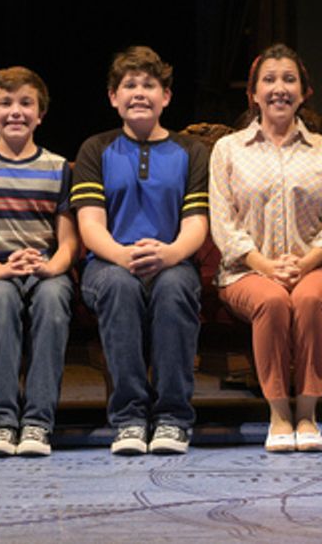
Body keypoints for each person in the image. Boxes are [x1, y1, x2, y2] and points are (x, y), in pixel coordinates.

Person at [209, 43, 322, 453]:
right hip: (247, 271)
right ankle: (278, 415)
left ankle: (307, 413)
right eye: (269, 80)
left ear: (304, 92)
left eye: (289, 79)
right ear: (253, 93)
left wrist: (303, 265)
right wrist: (266, 267)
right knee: (271, 300)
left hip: (319, 266)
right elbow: (224, 224)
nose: (279, 88)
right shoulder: (228, 150)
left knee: (307, 299)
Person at [70, 46, 209, 456]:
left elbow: (197, 224)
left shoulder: (191, 151)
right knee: (119, 287)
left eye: (149, 85)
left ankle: (171, 417)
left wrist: (168, 254)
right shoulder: (96, 149)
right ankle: (130, 417)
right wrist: (122, 256)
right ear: (113, 97)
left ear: (166, 96)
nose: (139, 93)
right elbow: (90, 226)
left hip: (172, 260)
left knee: (173, 288)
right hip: (110, 263)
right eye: (129, 85)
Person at [0, 66, 78, 457]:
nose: (16, 112)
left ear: (40, 114)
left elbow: (68, 240)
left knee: (54, 301)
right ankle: (5, 422)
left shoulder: (58, 168)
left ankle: (38, 424)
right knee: (2, 300)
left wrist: (51, 267)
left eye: (26, 103)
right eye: (5, 103)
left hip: (43, 267)